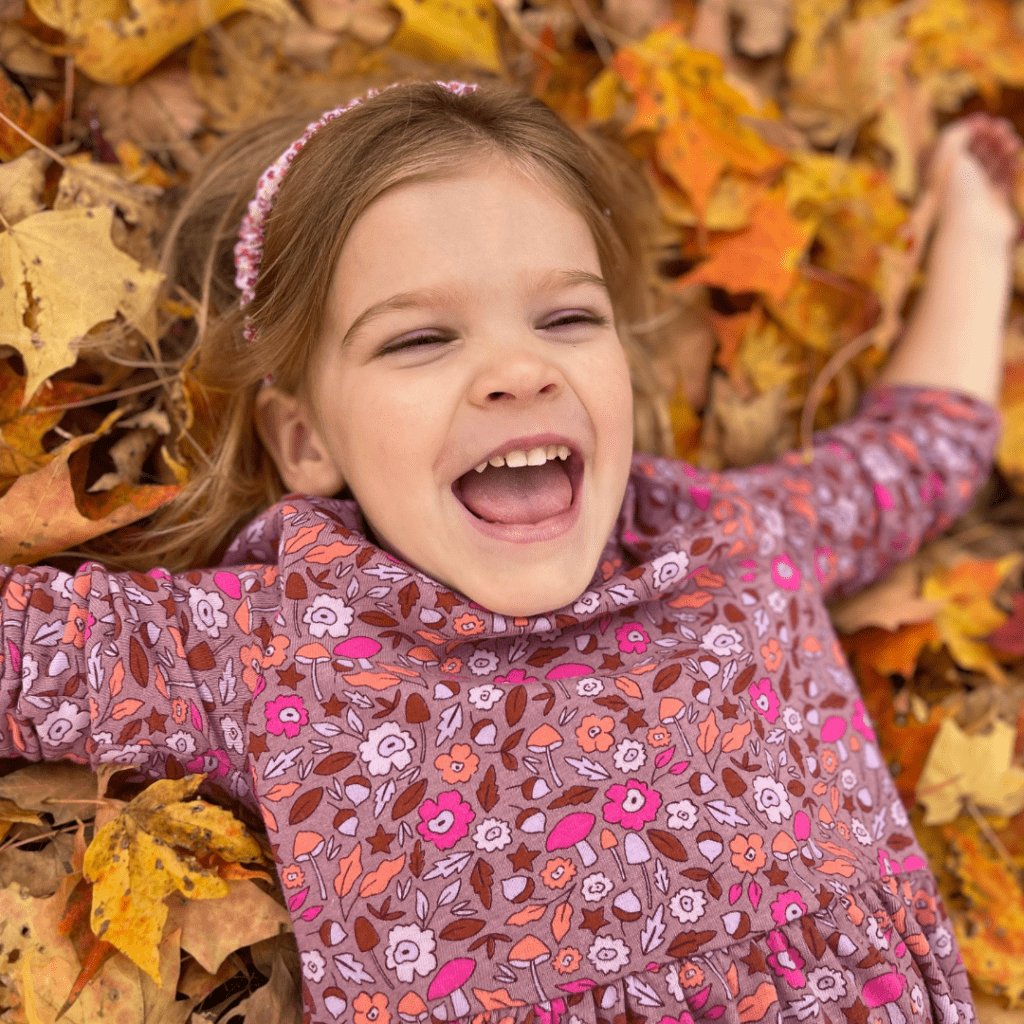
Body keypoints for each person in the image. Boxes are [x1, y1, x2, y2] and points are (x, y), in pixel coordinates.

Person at [1, 79, 1019, 1024]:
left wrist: (979, 228)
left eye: (567, 316)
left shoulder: (732, 538)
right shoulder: (268, 639)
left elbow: (919, 448)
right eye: (418, 339)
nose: (518, 369)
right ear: (305, 440)